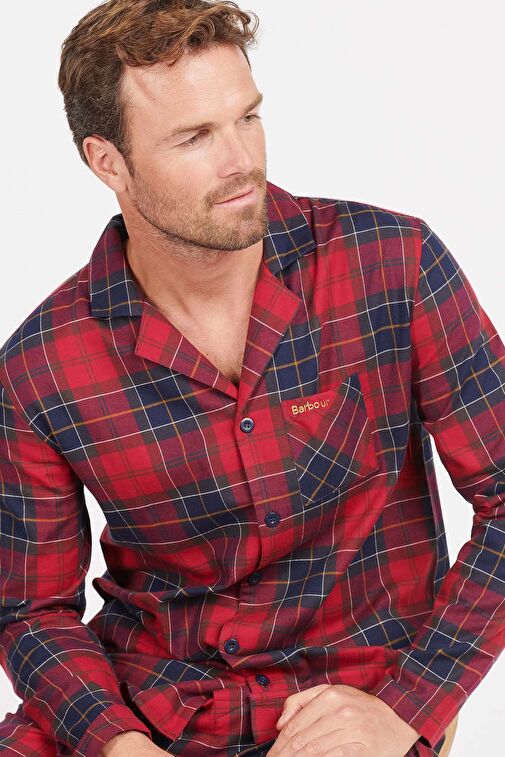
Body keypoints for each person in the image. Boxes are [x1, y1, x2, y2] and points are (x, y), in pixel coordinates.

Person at [0, 0, 502, 755]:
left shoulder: (391, 265)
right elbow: (31, 610)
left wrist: (412, 705)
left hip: (346, 701)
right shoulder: (41, 365)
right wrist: (118, 744)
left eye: (247, 117)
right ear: (107, 162)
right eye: (194, 136)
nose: (240, 160)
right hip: (150, 700)